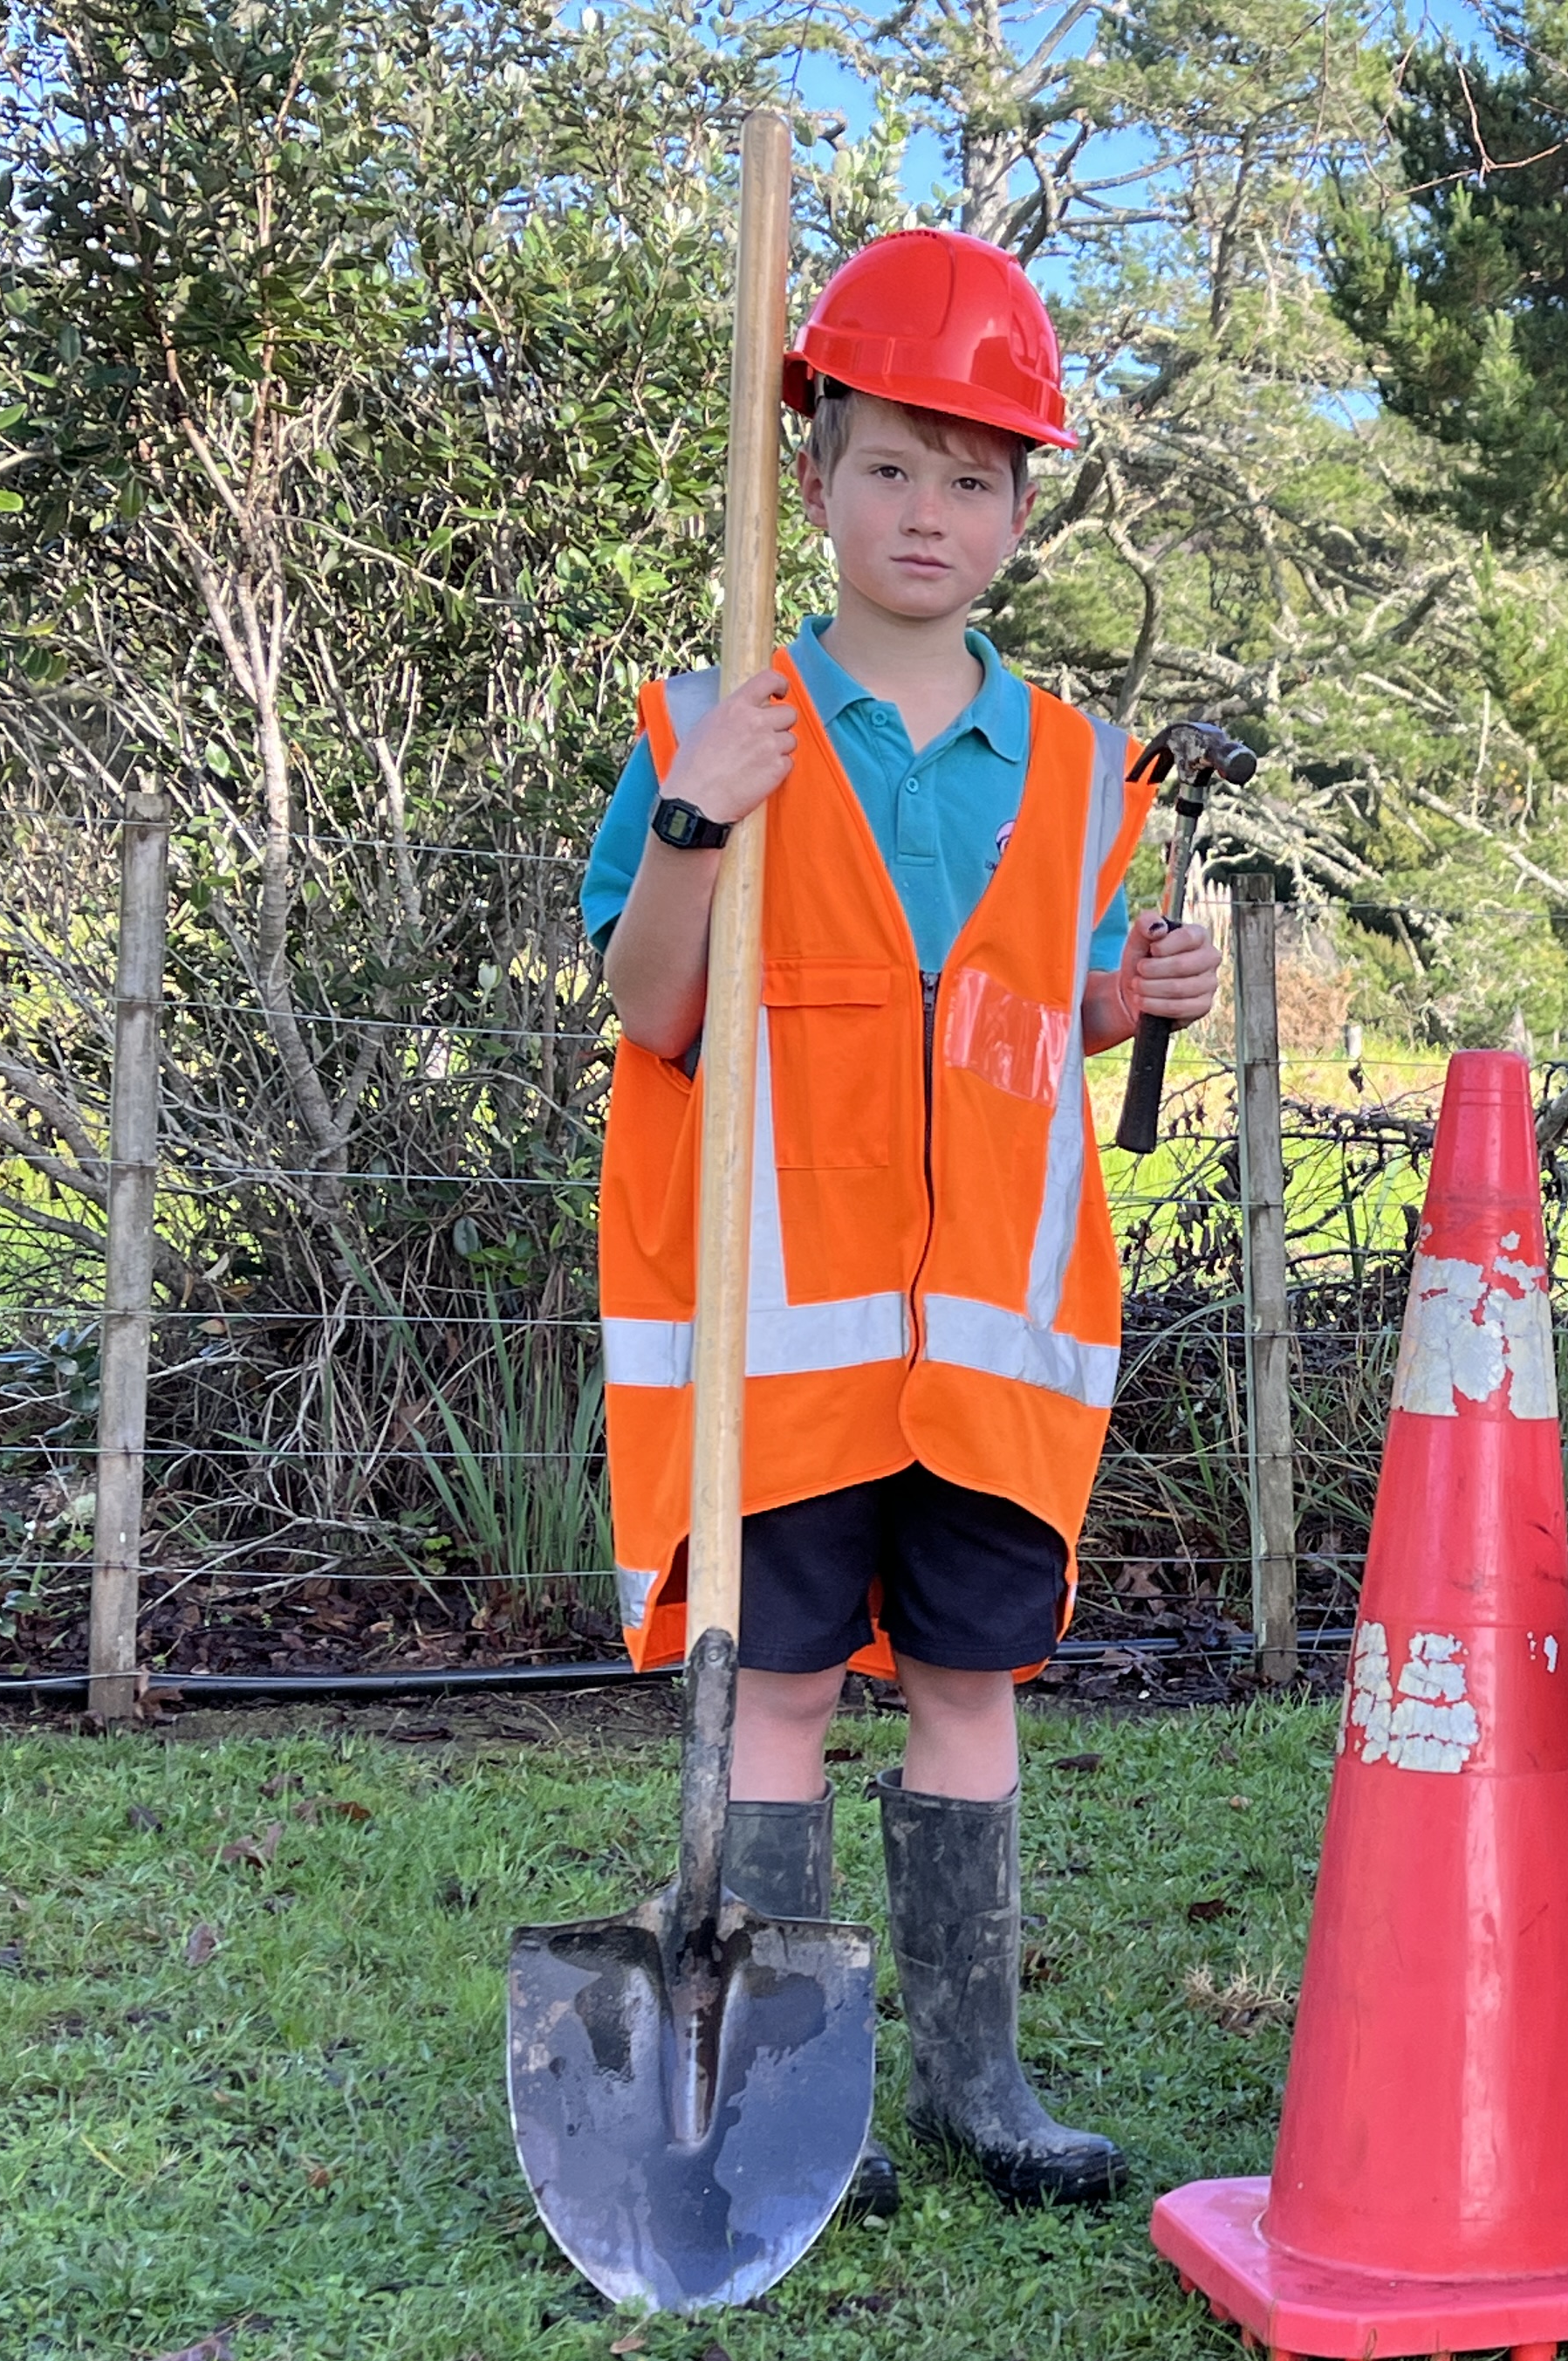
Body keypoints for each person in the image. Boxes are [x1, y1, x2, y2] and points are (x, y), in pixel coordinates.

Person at [585, 229, 1217, 2212]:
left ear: (1025, 510)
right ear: (819, 479)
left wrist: (1130, 1001)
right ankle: (786, 2090)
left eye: (971, 478)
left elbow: (1030, 1006)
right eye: (886, 467)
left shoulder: (1084, 763)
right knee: (776, 1692)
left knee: (967, 1689)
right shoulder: (715, 721)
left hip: (995, 1362)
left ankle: (979, 2086)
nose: (925, 512)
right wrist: (703, 812)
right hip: (785, 1349)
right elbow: (655, 1008)